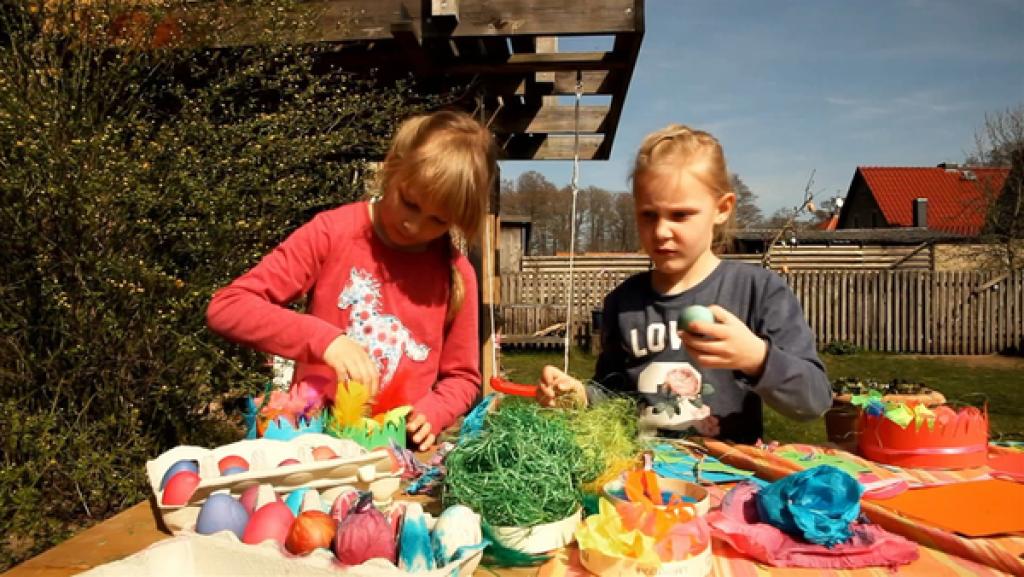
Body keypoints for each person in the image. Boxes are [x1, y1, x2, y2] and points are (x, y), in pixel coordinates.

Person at [207, 110, 497, 451]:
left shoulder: (456, 272)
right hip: (314, 447)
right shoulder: (333, 233)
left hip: (396, 458)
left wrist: (434, 411)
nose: (414, 226)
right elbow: (227, 307)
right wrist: (325, 340)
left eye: (437, 221)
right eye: (409, 203)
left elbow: (462, 378)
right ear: (393, 165)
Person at [537, 125, 831, 443]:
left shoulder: (756, 292)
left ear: (722, 209)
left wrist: (756, 357)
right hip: (641, 481)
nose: (662, 231)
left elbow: (813, 402)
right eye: (649, 215)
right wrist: (582, 395)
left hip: (727, 483)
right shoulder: (623, 303)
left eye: (680, 215)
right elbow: (615, 394)